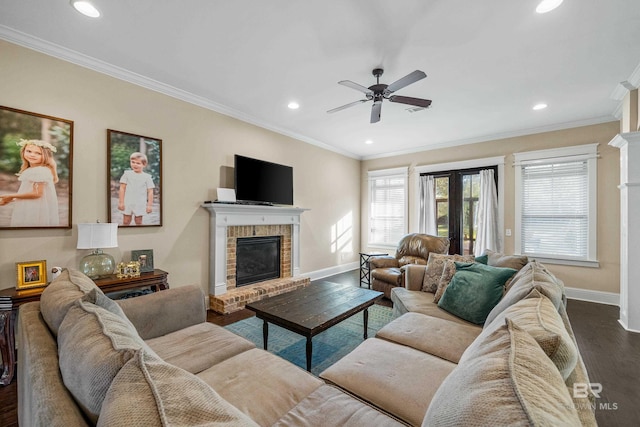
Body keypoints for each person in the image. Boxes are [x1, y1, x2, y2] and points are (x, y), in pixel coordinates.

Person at [0, 139, 59, 226]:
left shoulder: (39, 171)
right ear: (23, 152)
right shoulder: (36, 169)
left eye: (38, 153)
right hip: (34, 205)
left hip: (34, 209)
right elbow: (34, 193)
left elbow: (37, 194)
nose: (32, 155)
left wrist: (11, 195)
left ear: (46, 156)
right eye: (29, 151)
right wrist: (12, 199)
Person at [118, 152, 155, 225]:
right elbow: (122, 188)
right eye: (133, 162)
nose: (135, 165)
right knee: (126, 221)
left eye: (138, 163)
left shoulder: (147, 177)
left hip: (140, 203)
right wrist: (121, 202)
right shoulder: (127, 174)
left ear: (144, 165)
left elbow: (150, 191)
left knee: (138, 222)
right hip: (128, 202)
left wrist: (149, 205)